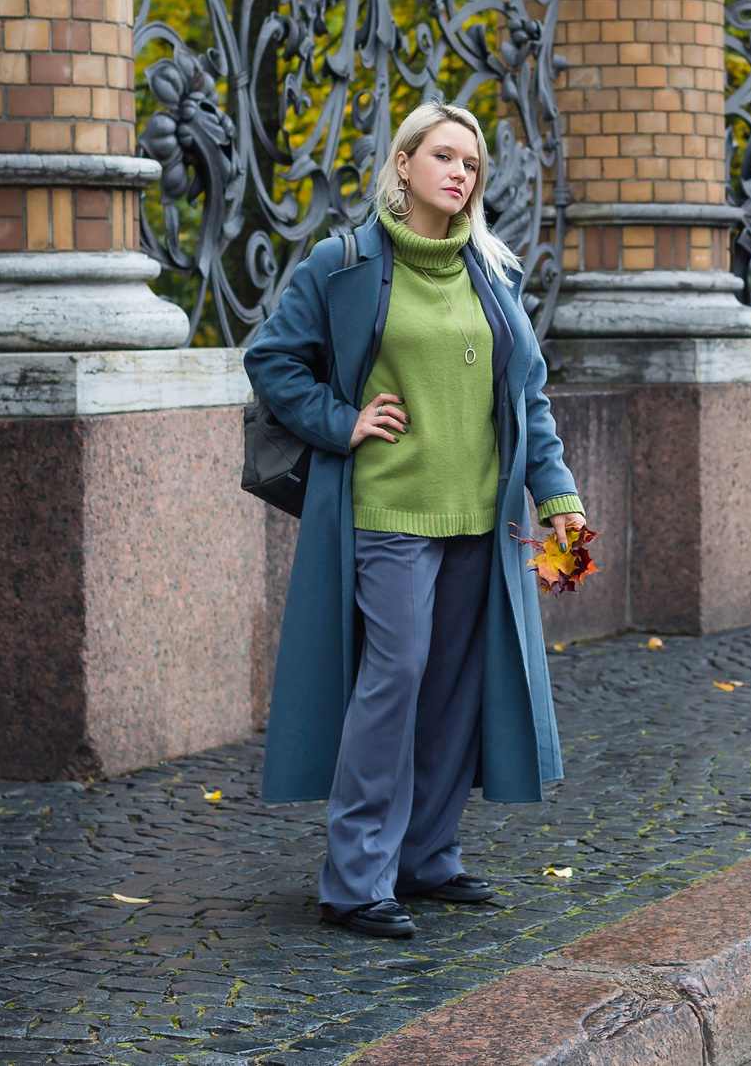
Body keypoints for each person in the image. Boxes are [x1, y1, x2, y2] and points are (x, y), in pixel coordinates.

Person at [242, 101, 588, 940]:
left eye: (471, 162)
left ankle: (426, 857)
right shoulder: (345, 262)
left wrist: (560, 500)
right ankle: (355, 878)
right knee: (392, 680)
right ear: (403, 163)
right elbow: (271, 358)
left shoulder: (493, 272)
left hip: (481, 520)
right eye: (444, 155)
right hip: (387, 511)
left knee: (452, 692)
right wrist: (343, 419)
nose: (460, 172)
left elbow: (528, 399)